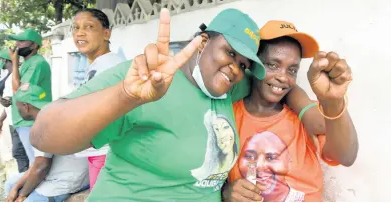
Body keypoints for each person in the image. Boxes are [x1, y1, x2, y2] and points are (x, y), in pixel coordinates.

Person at [30, 9, 322, 201]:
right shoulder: (147, 78)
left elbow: (280, 86)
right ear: (203, 42)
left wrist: (310, 108)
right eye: (230, 53)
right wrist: (126, 97)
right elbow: (44, 134)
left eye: (243, 63)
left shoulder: (229, 87)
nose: (235, 68)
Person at [223, 20, 358, 202]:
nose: (283, 77)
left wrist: (333, 101)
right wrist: (226, 192)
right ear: (253, 64)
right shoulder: (228, 117)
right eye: (273, 65)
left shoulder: (304, 115)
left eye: (292, 70)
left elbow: (346, 156)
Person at [5, 83, 89, 202]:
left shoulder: (43, 124)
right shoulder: (54, 113)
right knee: (11, 184)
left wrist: (22, 195)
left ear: (25, 106)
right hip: (66, 170)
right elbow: (38, 164)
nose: (17, 111)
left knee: (28, 199)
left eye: (17, 107)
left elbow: (41, 167)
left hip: (69, 180)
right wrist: (16, 187)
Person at [71, 8, 126, 190]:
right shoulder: (100, 64)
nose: (79, 33)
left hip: (107, 153)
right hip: (99, 151)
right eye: (76, 27)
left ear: (106, 33)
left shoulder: (110, 67)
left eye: (89, 27)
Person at [7, 28, 52, 165]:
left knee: (36, 164)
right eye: (16, 42)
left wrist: (14, 62)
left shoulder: (37, 63)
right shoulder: (28, 63)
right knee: (30, 162)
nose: (17, 45)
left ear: (34, 45)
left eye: (21, 41)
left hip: (31, 121)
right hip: (23, 121)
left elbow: (18, 90)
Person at [0, 49, 30, 173]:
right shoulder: (9, 76)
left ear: (5, 60)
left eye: (2, 60)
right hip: (12, 121)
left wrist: (10, 100)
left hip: (20, 121)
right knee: (21, 153)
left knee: (20, 153)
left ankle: (25, 182)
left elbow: (20, 98)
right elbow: (8, 104)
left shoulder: (16, 77)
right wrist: (0, 120)